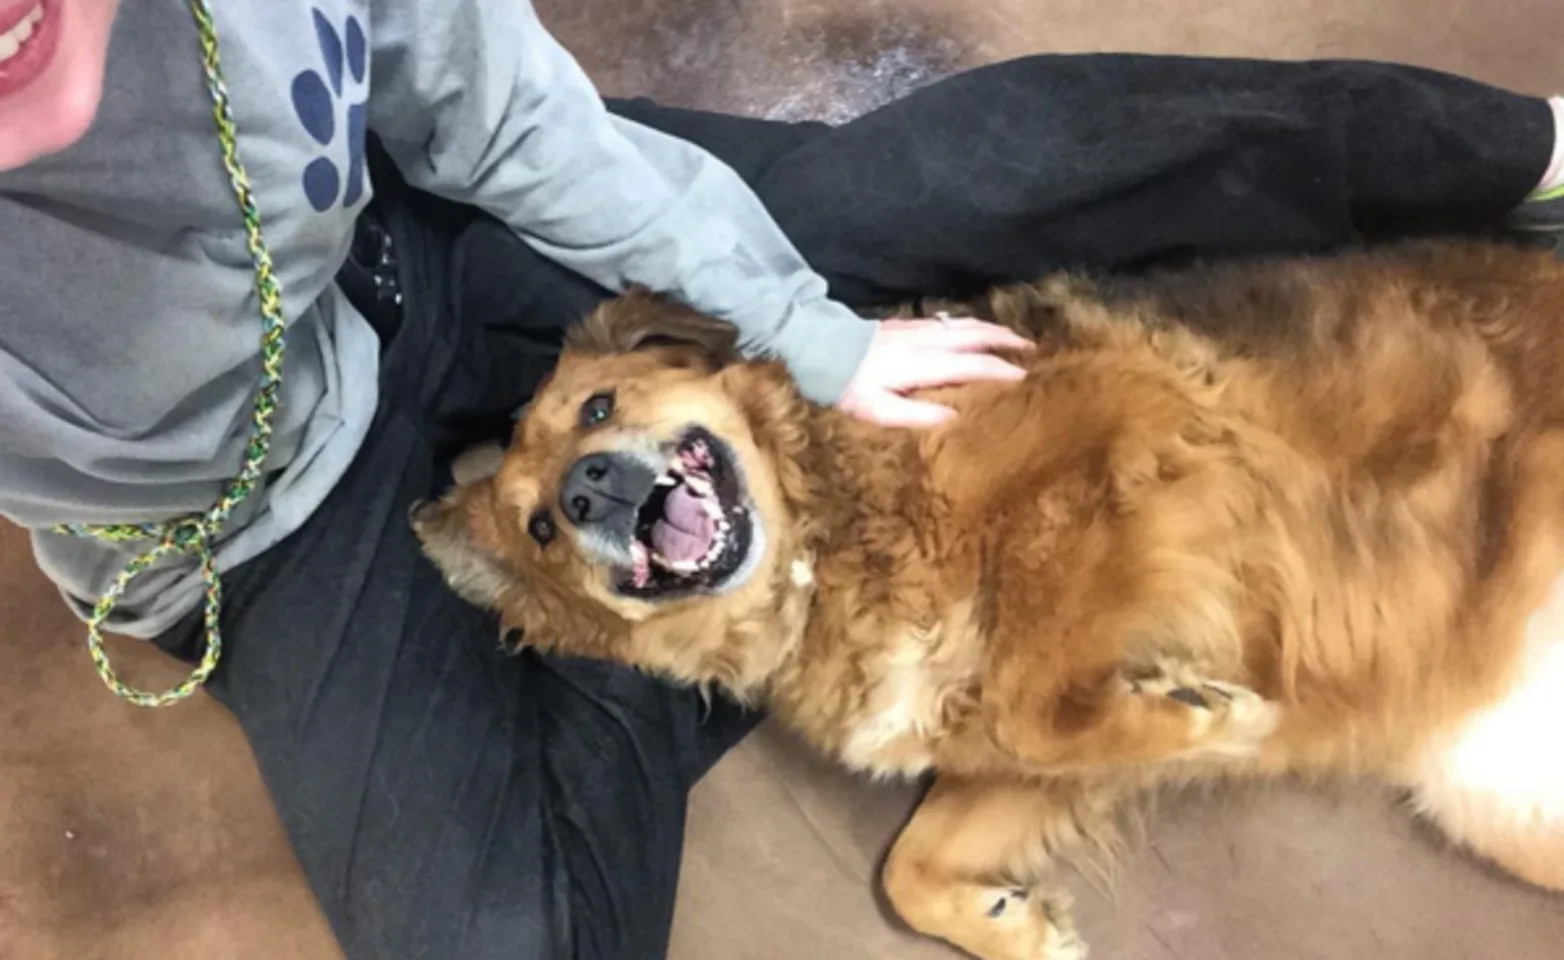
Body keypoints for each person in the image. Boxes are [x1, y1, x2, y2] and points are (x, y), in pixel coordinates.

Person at [1, 0, 1560, 957]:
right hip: (258, 501)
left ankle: (1518, 156)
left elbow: (504, 115)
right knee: (509, 940)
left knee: (985, 173)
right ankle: (684, 615)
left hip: (452, 225)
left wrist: (807, 340)